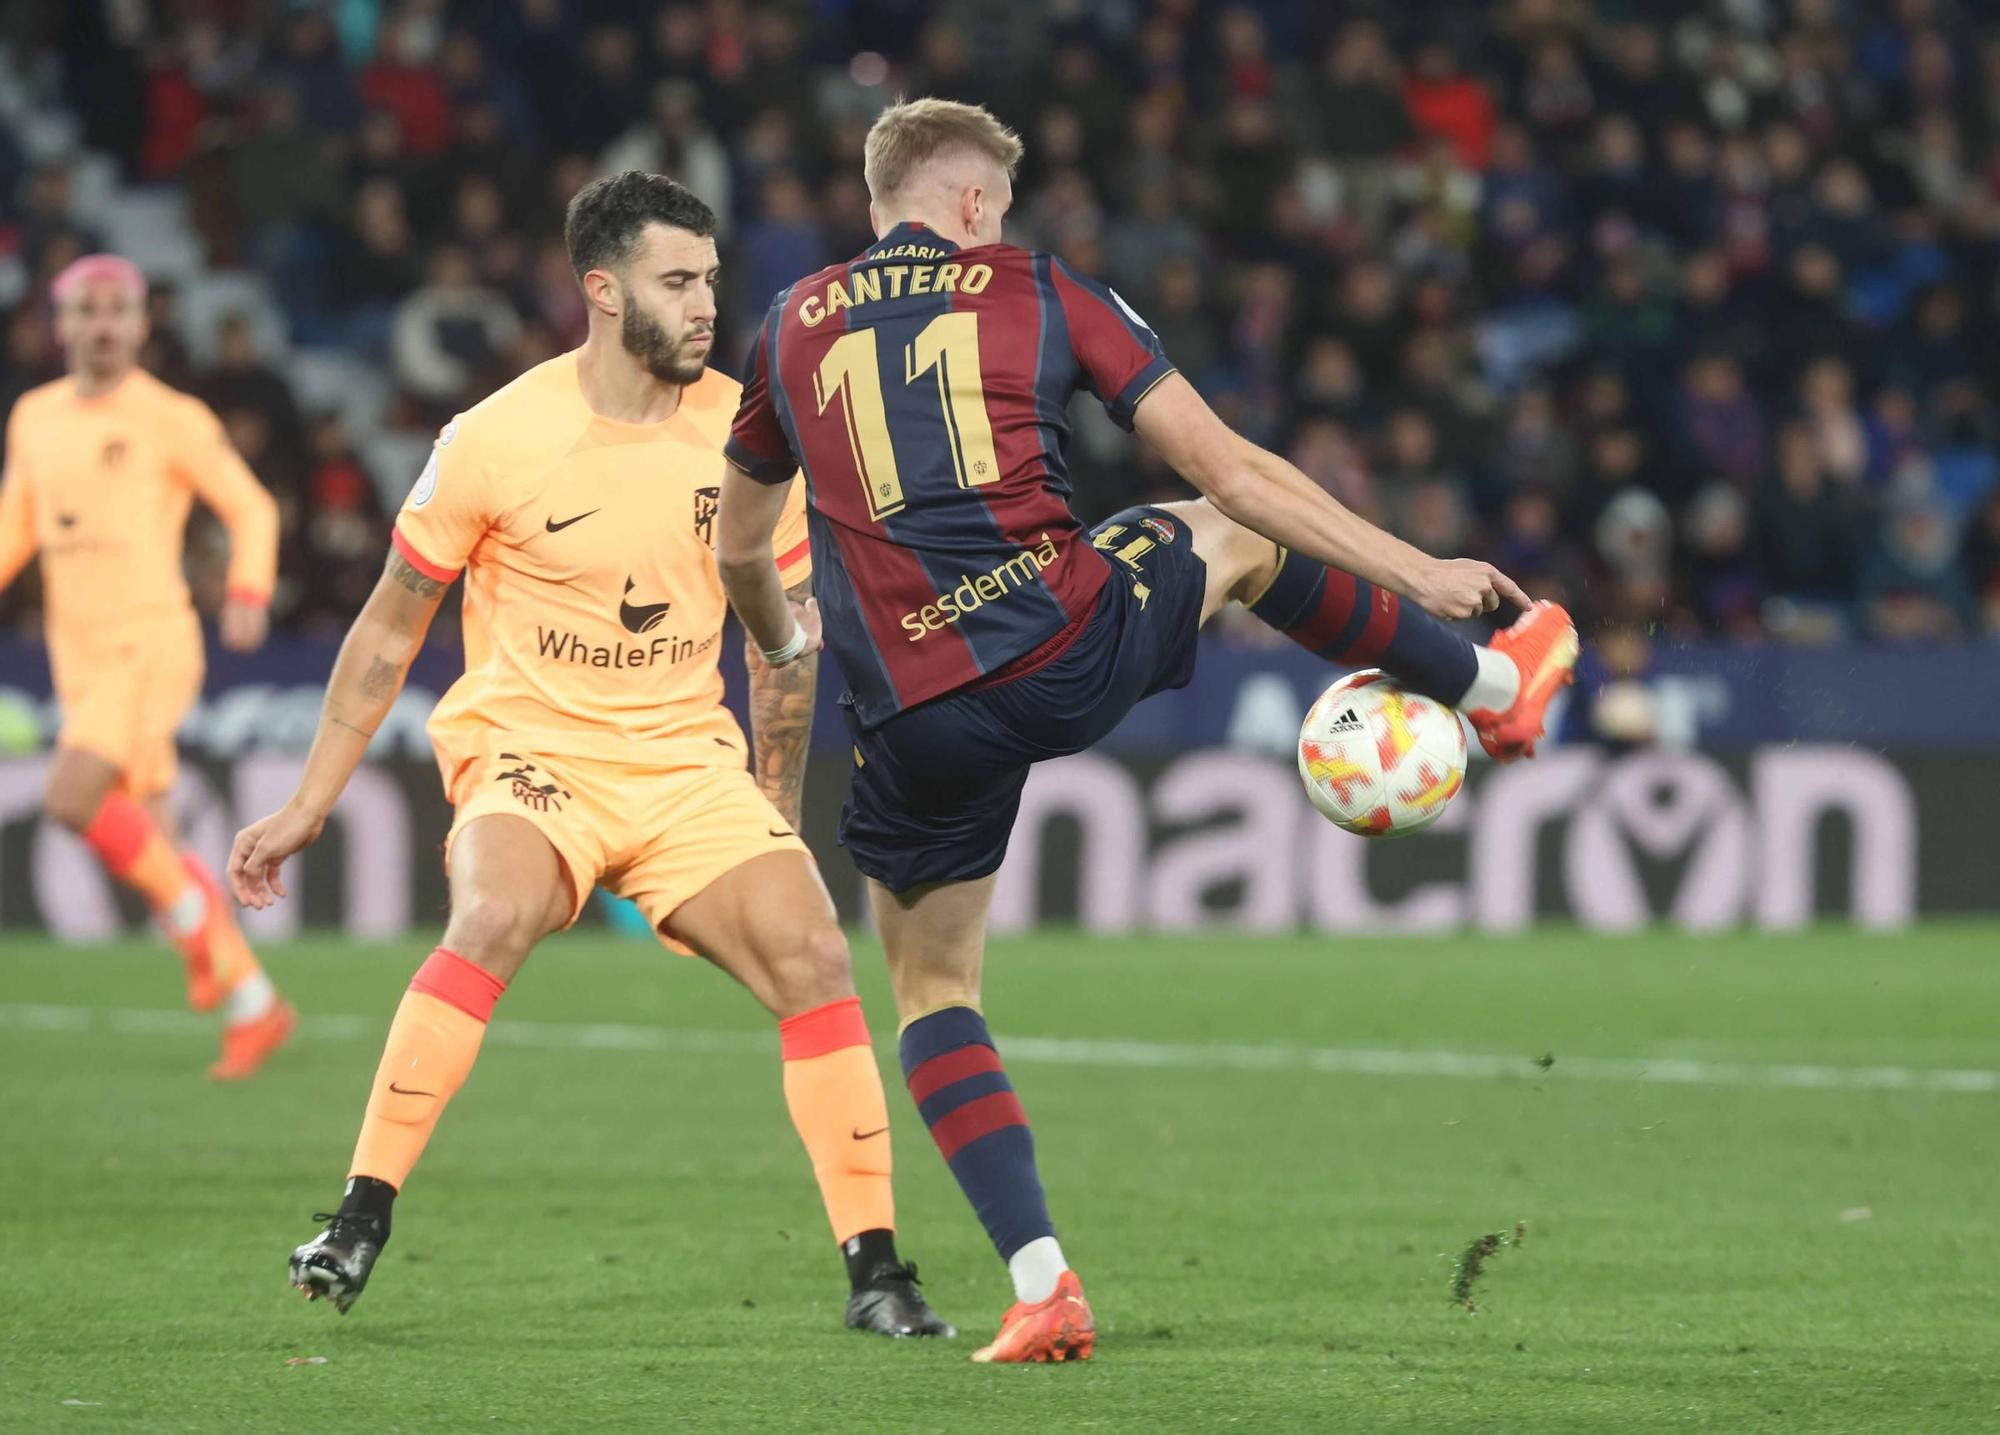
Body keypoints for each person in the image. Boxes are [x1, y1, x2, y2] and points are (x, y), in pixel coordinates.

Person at [715, 99, 1579, 1364]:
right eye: (993, 210)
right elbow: (1235, 474)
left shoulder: (787, 324)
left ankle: (1040, 1282)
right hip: (1056, 641)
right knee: (1225, 530)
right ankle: (1498, 692)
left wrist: (788, 645)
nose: (995, 227)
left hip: (905, 712)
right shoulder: (1035, 288)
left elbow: (738, 547)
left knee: (931, 988)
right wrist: (1417, 566)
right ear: (966, 206)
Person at [227, 173, 949, 1339]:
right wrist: (313, 798)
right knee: (494, 913)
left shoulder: (749, 441)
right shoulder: (495, 438)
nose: (707, 304)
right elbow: (389, 624)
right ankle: (359, 1215)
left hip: (681, 765)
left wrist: (767, 807)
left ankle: (876, 1269)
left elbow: (781, 642)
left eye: (712, 278)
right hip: (532, 750)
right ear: (603, 293)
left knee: (816, 950)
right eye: (678, 281)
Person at [0, 253, 290, 1080]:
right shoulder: (34, 415)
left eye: (116, 309)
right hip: (79, 656)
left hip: (151, 642)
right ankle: (253, 1003)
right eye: (85, 310)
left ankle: (200, 927)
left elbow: (252, 506)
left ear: (140, 324)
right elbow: (15, 528)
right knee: (153, 838)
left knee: (70, 795)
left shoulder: (172, 417)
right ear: (59, 324)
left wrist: (247, 587)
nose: (100, 324)